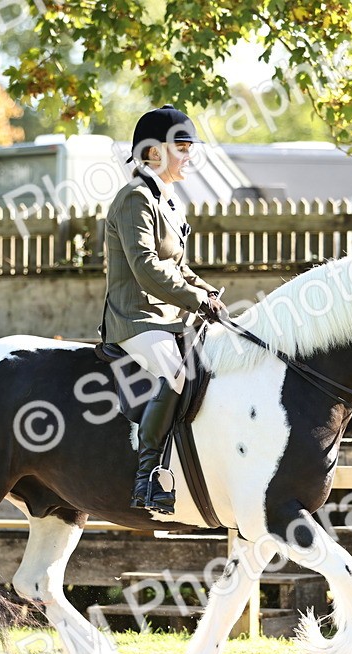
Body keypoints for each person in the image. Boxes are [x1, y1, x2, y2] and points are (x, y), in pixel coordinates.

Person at [101, 105, 227, 512]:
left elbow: (178, 267)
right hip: (135, 318)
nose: (190, 154)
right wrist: (195, 301)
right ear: (154, 153)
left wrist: (209, 294)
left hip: (169, 318)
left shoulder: (167, 201)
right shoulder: (134, 199)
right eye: (183, 146)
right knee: (177, 371)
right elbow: (147, 269)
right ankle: (148, 475)